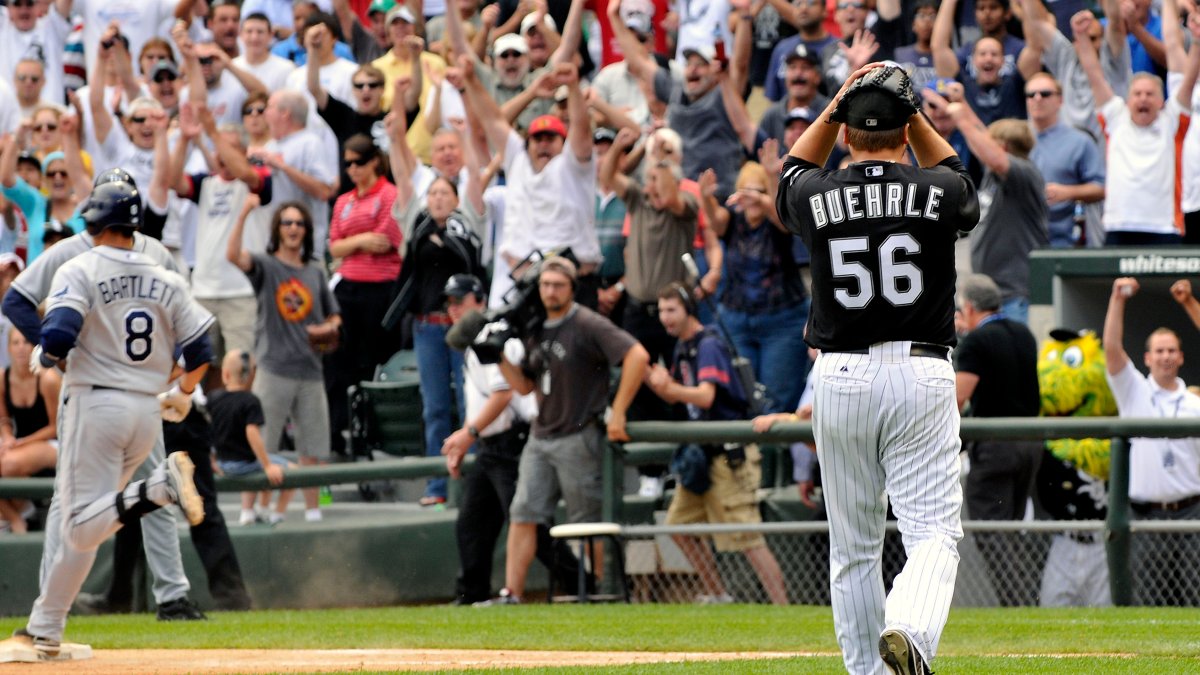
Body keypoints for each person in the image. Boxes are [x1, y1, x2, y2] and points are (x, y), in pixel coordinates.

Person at [777, 63, 979, 674]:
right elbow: (959, 181)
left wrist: (839, 102)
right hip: (919, 371)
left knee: (854, 551)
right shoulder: (936, 187)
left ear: (845, 133)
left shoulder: (818, 191)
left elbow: (791, 168)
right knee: (933, 534)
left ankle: (868, 671)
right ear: (907, 127)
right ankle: (910, 631)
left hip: (838, 377)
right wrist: (910, 109)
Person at [0, 179, 211, 660]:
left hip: (96, 406)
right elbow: (203, 349)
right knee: (95, 521)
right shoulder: (163, 269)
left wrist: (49, 356)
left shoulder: (80, 265)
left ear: (92, 221)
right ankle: (45, 629)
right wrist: (182, 391)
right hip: (146, 409)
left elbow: (59, 333)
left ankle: (159, 489)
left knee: (76, 526)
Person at [485, 256, 650, 604]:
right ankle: (510, 594)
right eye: (545, 284)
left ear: (572, 288)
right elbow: (527, 387)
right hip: (541, 434)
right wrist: (498, 356)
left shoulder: (588, 323)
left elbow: (637, 355)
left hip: (579, 434)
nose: (550, 291)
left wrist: (618, 410)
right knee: (522, 514)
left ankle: (604, 593)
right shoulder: (535, 327)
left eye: (558, 285)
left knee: (589, 521)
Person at [645, 282, 789, 605]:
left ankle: (783, 607)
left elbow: (706, 396)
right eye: (661, 311)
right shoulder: (681, 348)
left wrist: (668, 389)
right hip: (701, 455)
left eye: (672, 310)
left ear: (687, 310)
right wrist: (658, 385)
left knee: (747, 536)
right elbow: (682, 398)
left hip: (728, 454)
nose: (665, 317)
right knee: (677, 526)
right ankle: (717, 593)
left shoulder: (708, 344)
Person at [440, 273, 581, 604]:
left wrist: (467, 435)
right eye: (449, 303)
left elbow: (502, 396)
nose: (454, 309)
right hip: (489, 447)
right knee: (472, 522)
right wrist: (469, 439)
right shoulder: (472, 340)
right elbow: (479, 401)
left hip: (511, 444)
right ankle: (470, 595)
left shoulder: (493, 335)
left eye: (460, 301)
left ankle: (582, 585)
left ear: (479, 301)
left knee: (529, 522)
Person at [228, 196, 341, 523]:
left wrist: (329, 327)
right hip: (274, 368)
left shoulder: (315, 272)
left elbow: (336, 317)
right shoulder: (266, 264)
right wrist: (245, 211)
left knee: (313, 449)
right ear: (278, 229)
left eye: (299, 223)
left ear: (307, 230)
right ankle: (249, 511)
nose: (293, 228)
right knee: (261, 444)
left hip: (310, 369)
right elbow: (232, 256)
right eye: (287, 222)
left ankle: (312, 511)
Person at [1103, 277, 1200, 606]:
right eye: (1159, 351)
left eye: (1172, 350)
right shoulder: (1134, 391)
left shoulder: (1194, 402)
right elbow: (1112, 351)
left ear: (1182, 357)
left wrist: (1190, 304)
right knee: (1150, 603)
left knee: (1194, 603)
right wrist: (1118, 299)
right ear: (1147, 358)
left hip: (1192, 513)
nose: (1166, 357)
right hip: (1146, 516)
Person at [1078, 0, 1200, 245]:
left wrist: (1197, 41)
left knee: (1173, 285)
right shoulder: (1115, 118)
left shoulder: (1172, 121)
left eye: (1150, 94)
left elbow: (1189, 78)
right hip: (1119, 224)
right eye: (1137, 94)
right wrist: (1081, 38)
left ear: (1161, 101)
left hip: (1164, 226)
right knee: (1118, 284)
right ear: (1127, 99)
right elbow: (1094, 75)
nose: (1143, 99)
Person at [923, 83, 1047, 324]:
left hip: (1013, 295)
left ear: (1003, 147)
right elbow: (983, 132)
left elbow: (992, 153)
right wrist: (962, 105)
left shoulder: (1024, 173)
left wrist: (960, 120)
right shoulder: (994, 177)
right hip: (990, 295)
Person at [953, 273, 1042, 607]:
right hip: (1030, 444)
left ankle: (1017, 603)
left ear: (971, 307)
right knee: (1012, 527)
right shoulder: (1024, 333)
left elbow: (958, 399)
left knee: (992, 530)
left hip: (996, 446)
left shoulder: (977, 341)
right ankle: (1025, 601)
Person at [326, 133, 400, 457]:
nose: (352, 169)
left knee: (371, 362)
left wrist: (351, 242)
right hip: (348, 287)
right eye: (347, 164)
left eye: (358, 162)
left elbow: (385, 239)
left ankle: (371, 435)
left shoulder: (389, 193)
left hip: (380, 288)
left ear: (373, 161)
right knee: (338, 362)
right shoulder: (344, 201)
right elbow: (333, 245)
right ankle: (338, 433)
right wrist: (361, 239)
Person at [209, 349, 295, 526]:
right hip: (243, 465)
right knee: (290, 469)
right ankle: (275, 515)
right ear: (251, 376)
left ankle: (249, 513)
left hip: (222, 464)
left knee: (263, 461)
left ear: (225, 374)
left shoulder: (213, 398)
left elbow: (205, 430)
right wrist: (268, 465)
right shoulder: (250, 401)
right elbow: (252, 432)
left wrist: (211, 458)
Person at [0, 326, 61, 534]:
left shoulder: (48, 379)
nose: (21, 349)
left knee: (7, 464)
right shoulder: (2, 378)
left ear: (35, 347)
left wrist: (20, 443)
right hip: (20, 444)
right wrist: (8, 437)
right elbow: (4, 419)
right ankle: (17, 516)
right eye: (15, 343)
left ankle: (17, 515)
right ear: (8, 348)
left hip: (53, 444)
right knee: (8, 461)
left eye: (26, 342)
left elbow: (56, 427)